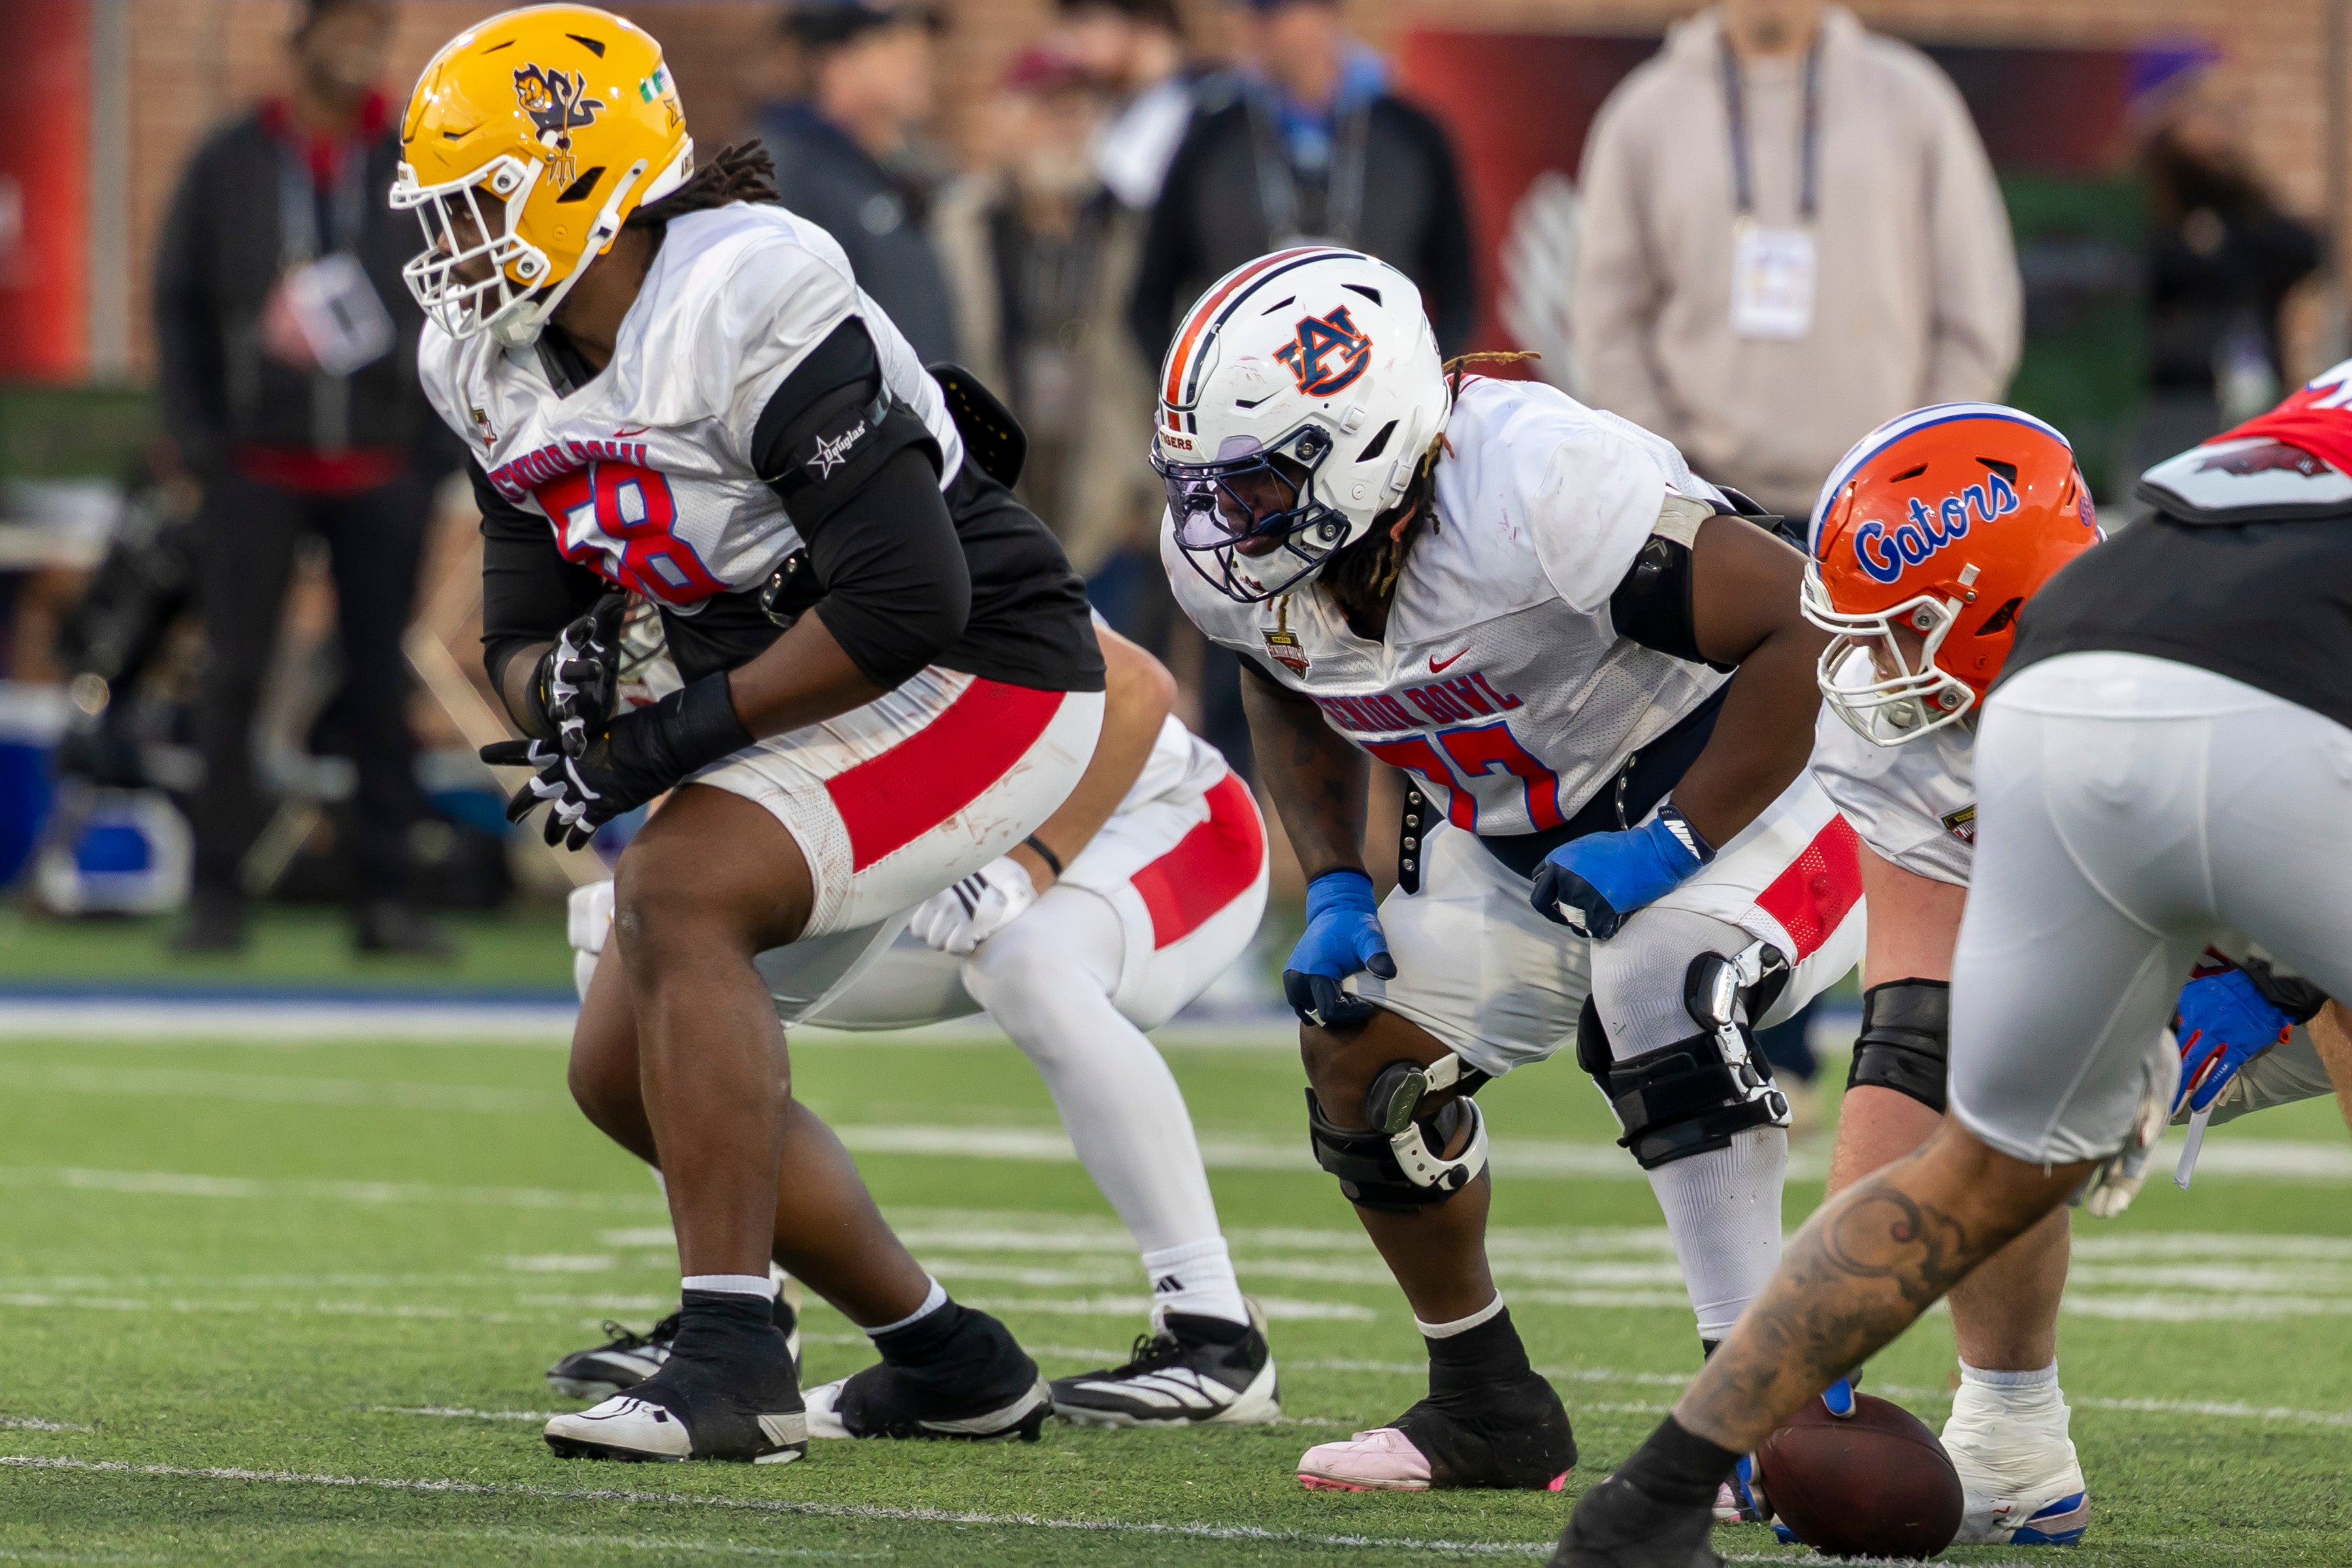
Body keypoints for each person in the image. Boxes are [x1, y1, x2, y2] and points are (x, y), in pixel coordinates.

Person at [396, 6, 1105, 1463]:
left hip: (978, 670)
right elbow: (521, 622)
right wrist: (568, 700)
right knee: (617, 1072)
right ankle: (948, 1357)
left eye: (484, 197)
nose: (456, 237)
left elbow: (913, 591)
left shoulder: (745, 286)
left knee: (675, 892)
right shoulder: (487, 356)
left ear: (589, 181)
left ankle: (732, 1361)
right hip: (800, 677)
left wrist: (656, 745)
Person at [1548, 370, 2352, 1568]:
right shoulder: (1924, 709)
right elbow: (1911, 1034)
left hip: (2093, 706)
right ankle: (2008, 1439)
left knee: (1993, 1151)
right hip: (2262, 728)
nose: (1868, 672)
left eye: (1895, 634)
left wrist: (2285, 981)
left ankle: (1655, 1495)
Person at [1155, 247, 1863, 1494]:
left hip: (1760, 779)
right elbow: (1284, 681)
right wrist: (1332, 883)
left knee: (1663, 985)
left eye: (1258, 485)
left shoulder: (1539, 481)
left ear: (1363, 447)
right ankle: (1488, 1405)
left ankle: (1755, 1406)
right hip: (1516, 828)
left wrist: (1675, 842)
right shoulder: (1244, 559)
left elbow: (1802, 626)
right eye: (1210, 484)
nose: (1224, 521)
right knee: (1360, 1049)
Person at [551, 617, 1281, 1427]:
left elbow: (1136, 687)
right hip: (929, 831)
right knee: (632, 942)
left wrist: (1034, 861)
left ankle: (1214, 1328)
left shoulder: (864, 533)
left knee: (1027, 960)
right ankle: (741, 1302)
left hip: (1141, 818)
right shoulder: (636, 563)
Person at [154, 0, 453, 955]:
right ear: (303, 33)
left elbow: (456, 293)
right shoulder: (231, 159)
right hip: (256, 468)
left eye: (378, 23)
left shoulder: (419, 160)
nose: (364, 41)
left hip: (382, 467)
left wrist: (433, 444)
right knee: (234, 677)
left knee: (377, 683)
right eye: (347, 22)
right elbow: (179, 301)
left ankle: (389, 900)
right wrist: (203, 442)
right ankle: (217, 897)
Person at [1572, 0, 2021, 523]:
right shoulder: (1642, 115)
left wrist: (1918, 467)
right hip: (1704, 517)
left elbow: (1977, 315)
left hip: (1891, 515)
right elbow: (1607, 325)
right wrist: (1675, 479)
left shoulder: (1913, 101)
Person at [1127, 0, 1476, 363]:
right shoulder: (1210, 135)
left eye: (1271, 11)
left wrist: (1424, 381)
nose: (1252, 27)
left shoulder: (1413, 134)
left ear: (1326, 13)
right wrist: (1196, 394)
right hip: (1249, 402)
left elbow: (1459, 293)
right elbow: (1149, 301)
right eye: (1249, 12)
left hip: (1384, 393)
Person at [2133, 41, 2325, 468]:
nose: (2223, 123)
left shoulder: (2239, 195)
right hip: (2172, 404)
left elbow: (2303, 250)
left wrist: (2224, 242)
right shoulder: (2146, 194)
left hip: (2250, 393)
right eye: (2205, 107)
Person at [760, 0, 962, 365]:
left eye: (920, 39)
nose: (919, 56)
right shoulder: (787, 173)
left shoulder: (912, 172)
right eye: (890, 41)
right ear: (835, 62)